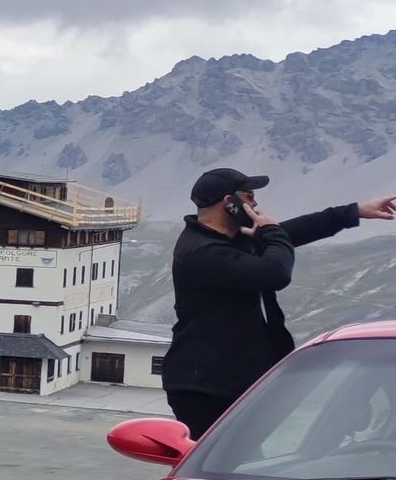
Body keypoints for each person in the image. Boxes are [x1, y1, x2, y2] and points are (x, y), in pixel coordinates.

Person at [161, 166, 396, 437]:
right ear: (230, 203)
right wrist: (270, 232)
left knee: (242, 465)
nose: (255, 202)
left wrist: (353, 212)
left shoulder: (229, 239)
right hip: (205, 387)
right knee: (220, 468)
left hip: (230, 378)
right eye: (249, 196)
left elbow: (288, 233)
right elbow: (274, 272)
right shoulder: (201, 251)